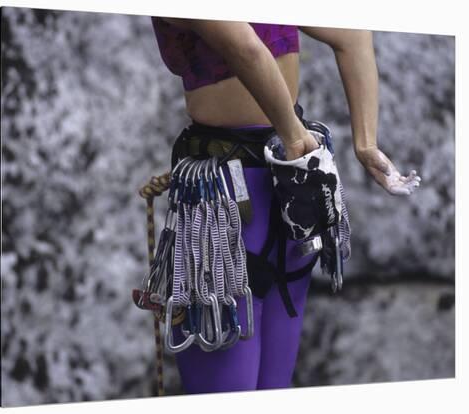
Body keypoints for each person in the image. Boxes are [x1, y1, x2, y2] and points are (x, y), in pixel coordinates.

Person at [149, 16, 421, 394]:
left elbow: (344, 33)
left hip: (245, 195)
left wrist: (358, 142)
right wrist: (314, 138)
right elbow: (247, 46)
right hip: (270, 187)